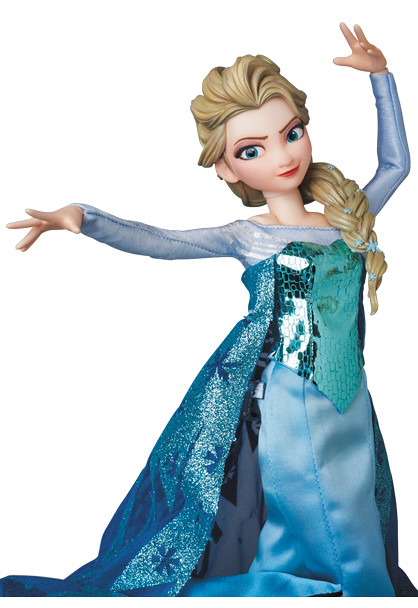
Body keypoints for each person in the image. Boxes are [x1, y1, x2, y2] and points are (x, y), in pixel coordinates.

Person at [1, 23, 415, 597]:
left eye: (291, 134)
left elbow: (396, 166)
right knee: (304, 487)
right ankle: (316, 583)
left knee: (354, 488)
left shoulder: (346, 217)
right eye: (252, 150)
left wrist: (381, 78)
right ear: (226, 168)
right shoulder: (248, 236)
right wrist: (86, 218)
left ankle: (353, 584)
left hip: (350, 392)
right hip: (288, 392)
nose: (282, 156)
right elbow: (161, 241)